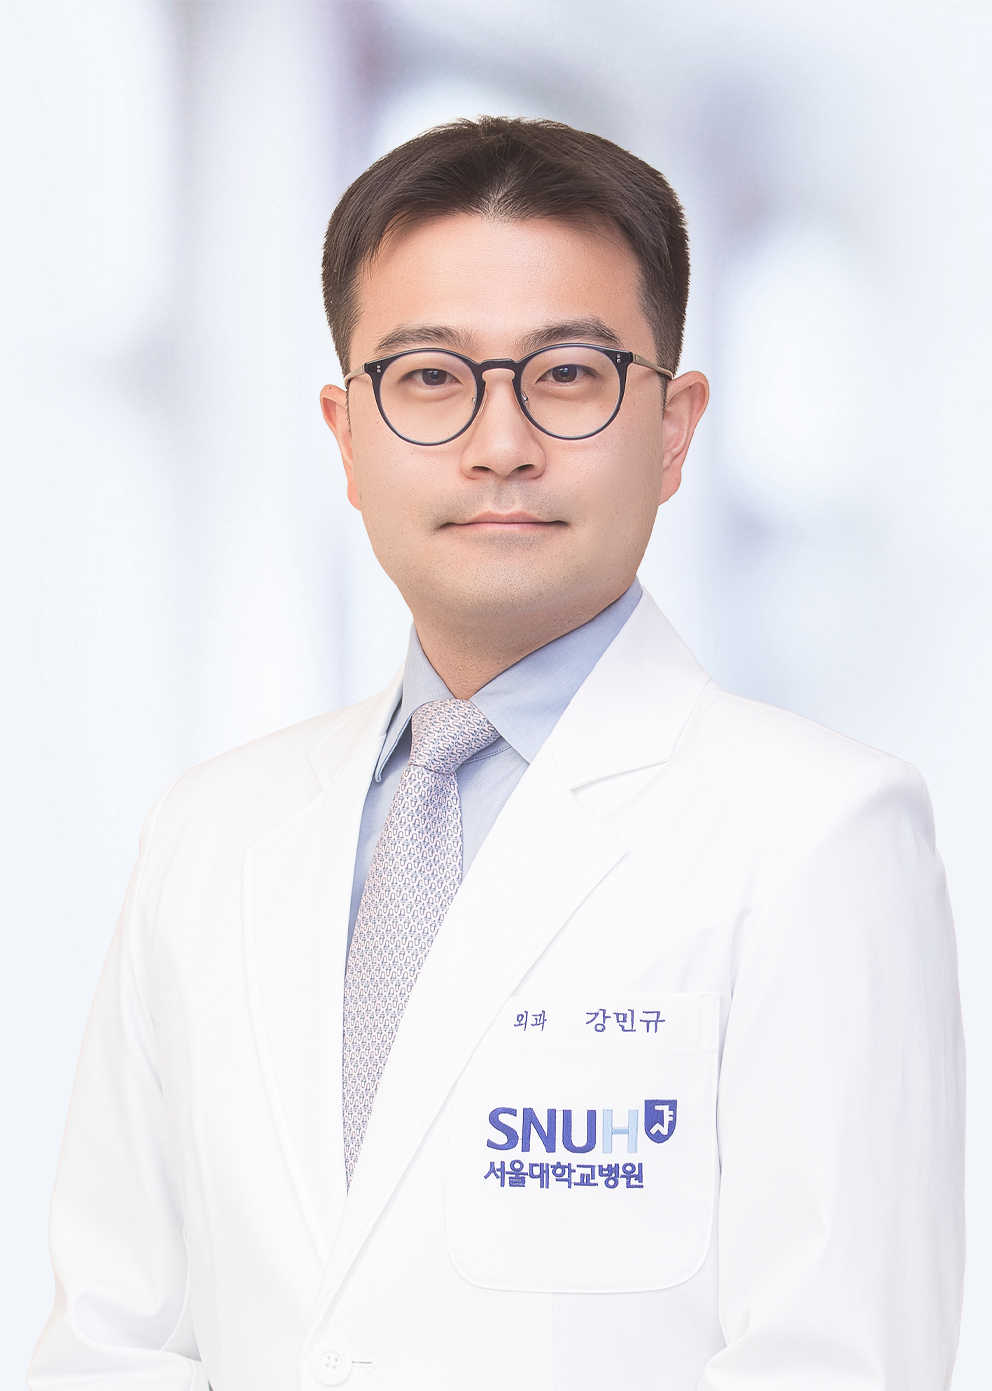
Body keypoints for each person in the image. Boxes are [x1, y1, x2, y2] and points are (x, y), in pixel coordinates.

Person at [30, 117, 964, 1391]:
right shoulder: (206, 831)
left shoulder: (819, 834)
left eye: (567, 373)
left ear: (673, 427)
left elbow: (836, 1365)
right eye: (429, 377)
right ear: (344, 435)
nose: (499, 443)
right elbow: (107, 1342)